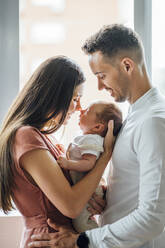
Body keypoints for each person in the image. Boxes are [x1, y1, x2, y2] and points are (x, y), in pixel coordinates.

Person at [28, 24, 165, 248]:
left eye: (102, 76)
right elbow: (133, 186)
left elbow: (152, 217)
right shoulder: (134, 116)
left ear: (127, 66)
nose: (100, 86)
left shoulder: (153, 122)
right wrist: (104, 198)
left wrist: (82, 240)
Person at [0, 56, 115, 248]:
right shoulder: (26, 136)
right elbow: (70, 205)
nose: (79, 108)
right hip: (47, 240)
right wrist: (105, 156)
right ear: (54, 96)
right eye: (75, 99)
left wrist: (94, 197)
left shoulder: (46, 139)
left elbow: (74, 197)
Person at [57, 101, 122, 232]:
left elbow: (89, 163)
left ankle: (95, 240)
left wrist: (68, 164)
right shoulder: (85, 139)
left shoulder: (91, 140)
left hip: (89, 191)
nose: (81, 110)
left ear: (97, 127)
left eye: (87, 111)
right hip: (84, 187)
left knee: (82, 224)